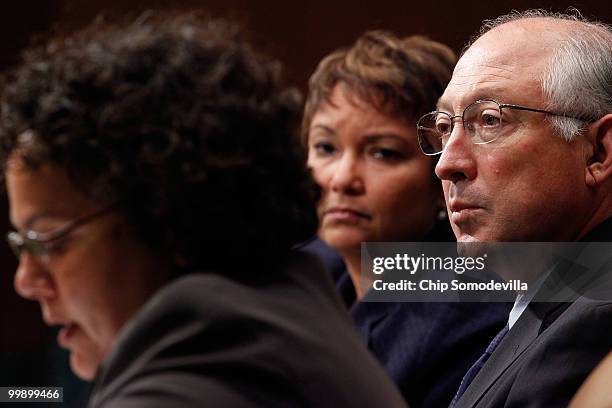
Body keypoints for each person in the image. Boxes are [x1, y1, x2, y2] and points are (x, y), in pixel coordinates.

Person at [0, 14, 407, 408]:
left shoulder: (201, 373)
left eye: (50, 241)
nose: (26, 279)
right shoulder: (293, 301)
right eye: (325, 148)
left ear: (164, 215)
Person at [302, 30, 510, 407]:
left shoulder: (460, 315)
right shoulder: (308, 274)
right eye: (326, 147)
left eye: (383, 153)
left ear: (441, 176)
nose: (341, 179)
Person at [416, 9, 612, 407]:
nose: (446, 164)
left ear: (598, 151)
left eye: (489, 121)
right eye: (444, 127)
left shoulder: (596, 321)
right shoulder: (555, 298)